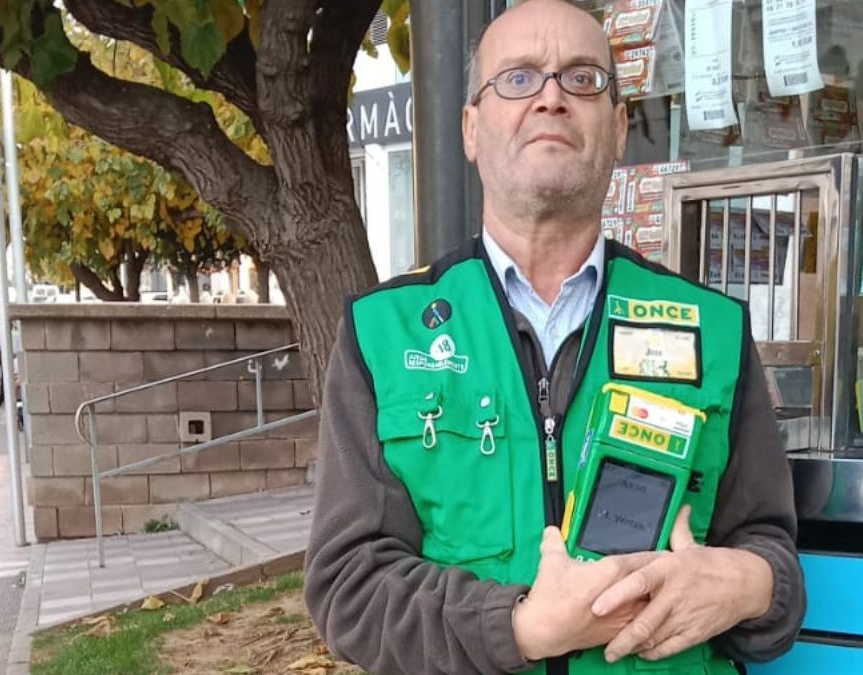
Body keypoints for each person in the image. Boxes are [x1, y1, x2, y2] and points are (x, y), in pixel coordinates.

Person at [304, 1, 805, 673]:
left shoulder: (712, 327)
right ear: (471, 130)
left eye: (582, 79)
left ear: (620, 126)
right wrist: (521, 627)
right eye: (517, 79)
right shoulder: (382, 332)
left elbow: (772, 555)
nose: (550, 98)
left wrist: (747, 584)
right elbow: (349, 588)